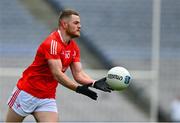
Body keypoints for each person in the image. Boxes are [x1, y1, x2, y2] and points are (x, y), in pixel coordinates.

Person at [5, 9, 113, 122]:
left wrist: (94, 83)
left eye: (80, 23)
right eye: (76, 23)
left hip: (47, 98)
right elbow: (57, 74)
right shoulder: (52, 43)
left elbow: (79, 74)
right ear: (64, 24)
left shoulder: (74, 48)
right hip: (26, 93)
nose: (80, 26)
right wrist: (78, 89)